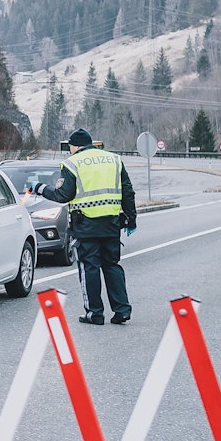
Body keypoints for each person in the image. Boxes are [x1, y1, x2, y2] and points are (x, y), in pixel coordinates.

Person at [30, 128, 137, 325]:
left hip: (86, 224)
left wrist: (40, 188)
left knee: (90, 268)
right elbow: (127, 191)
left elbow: (63, 195)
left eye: (69, 146)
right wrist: (131, 218)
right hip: (112, 223)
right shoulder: (113, 159)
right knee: (112, 266)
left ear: (75, 146)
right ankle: (122, 310)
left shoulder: (72, 163)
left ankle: (94, 313)